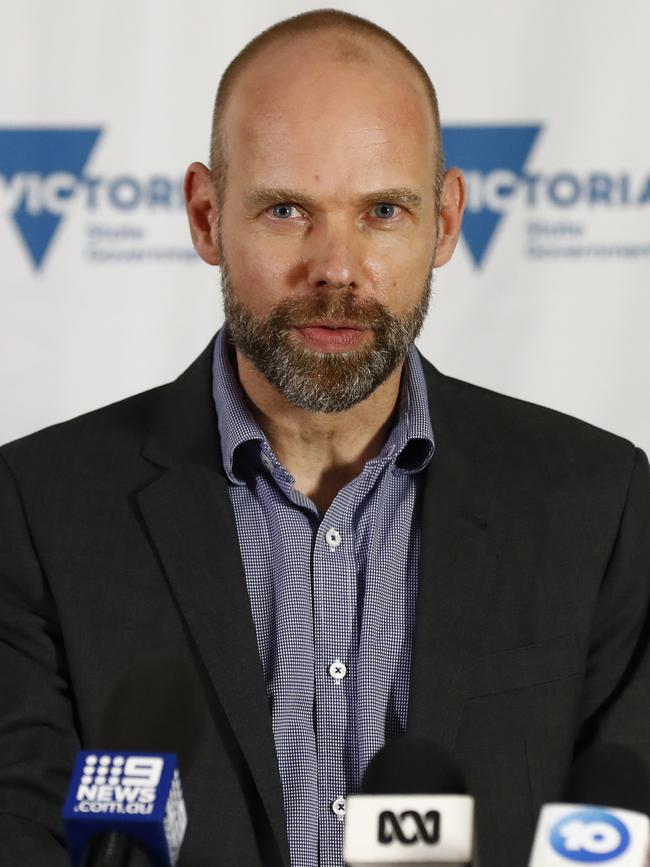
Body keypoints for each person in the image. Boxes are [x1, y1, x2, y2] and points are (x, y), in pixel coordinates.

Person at [0, 9, 648, 867]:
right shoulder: (37, 508)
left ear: (445, 222)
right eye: (285, 210)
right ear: (205, 216)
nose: (336, 267)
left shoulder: (596, 503)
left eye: (383, 209)